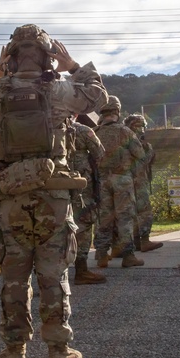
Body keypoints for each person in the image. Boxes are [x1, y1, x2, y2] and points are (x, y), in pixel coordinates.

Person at [0, 24, 107, 358]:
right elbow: (98, 98)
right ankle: (58, 351)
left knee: (14, 278)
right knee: (53, 275)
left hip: (10, 198)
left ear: (11, 57)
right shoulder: (60, 89)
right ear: (47, 55)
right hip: (53, 197)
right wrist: (72, 64)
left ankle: (14, 352)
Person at [94, 96, 145, 268]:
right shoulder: (125, 131)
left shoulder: (95, 132)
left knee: (104, 218)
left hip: (101, 181)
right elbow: (140, 154)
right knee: (125, 217)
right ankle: (128, 255)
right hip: (122, 179)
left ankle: (101, 255)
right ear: (117, 111)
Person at [66, 115, 107, 284]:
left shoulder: (46, 130)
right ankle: (81, 269)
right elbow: (100, 153)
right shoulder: (82, 130)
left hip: (54, 183)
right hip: (81, 185)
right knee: (84, 222)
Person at [124, 114, 163, 253]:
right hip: (136, 181)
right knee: (144, 211)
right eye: (137, 126)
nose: (141, 129)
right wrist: (149, 151)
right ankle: (144, 240)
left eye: (142, 126)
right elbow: (142, 162)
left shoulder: (123, 140)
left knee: (131, 213)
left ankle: (136, 242)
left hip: (128, 181)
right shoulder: (136, 143)